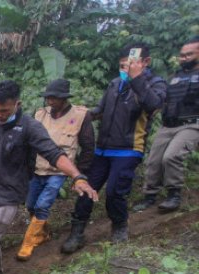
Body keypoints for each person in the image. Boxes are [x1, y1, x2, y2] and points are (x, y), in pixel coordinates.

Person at [0, 80, 98, 274]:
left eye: (4, 110)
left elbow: (54, 153)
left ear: (17, 104)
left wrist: (77, 176)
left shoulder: (30, 127)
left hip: (9, 193)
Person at [61, 42, 167, 254]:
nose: (125, 70)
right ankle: (77, 232)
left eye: (129, 65)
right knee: (85, 188)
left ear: (145, 62)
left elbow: (153, 105)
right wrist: (80, 114)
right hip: (103, 149)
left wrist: (137, 79)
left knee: (114, 192)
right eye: (122, 65)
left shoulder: (155, 84)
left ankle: (119, 226)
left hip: (128, 149)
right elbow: (100, 110)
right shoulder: (114, 83)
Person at [16, 79, 95, 261]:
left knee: (43, 205)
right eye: (48, 98)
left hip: (59, 171)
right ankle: (43, 234)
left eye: (54, 98)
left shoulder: (80, 116)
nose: (50, 101)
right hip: (38, 168)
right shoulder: (40, 115)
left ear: (64, 99)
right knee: (31, 205)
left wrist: (79, 175)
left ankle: (28, 242)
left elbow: (88, 147)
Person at [134, 36, 199, 213]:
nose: (183, 58)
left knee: (171, 156)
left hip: (192, 125)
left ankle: (174, 195)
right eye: (182, 55)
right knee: (153, 160)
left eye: (189, 54)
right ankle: (150, 195)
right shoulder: (175, 77)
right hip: (168, 124)